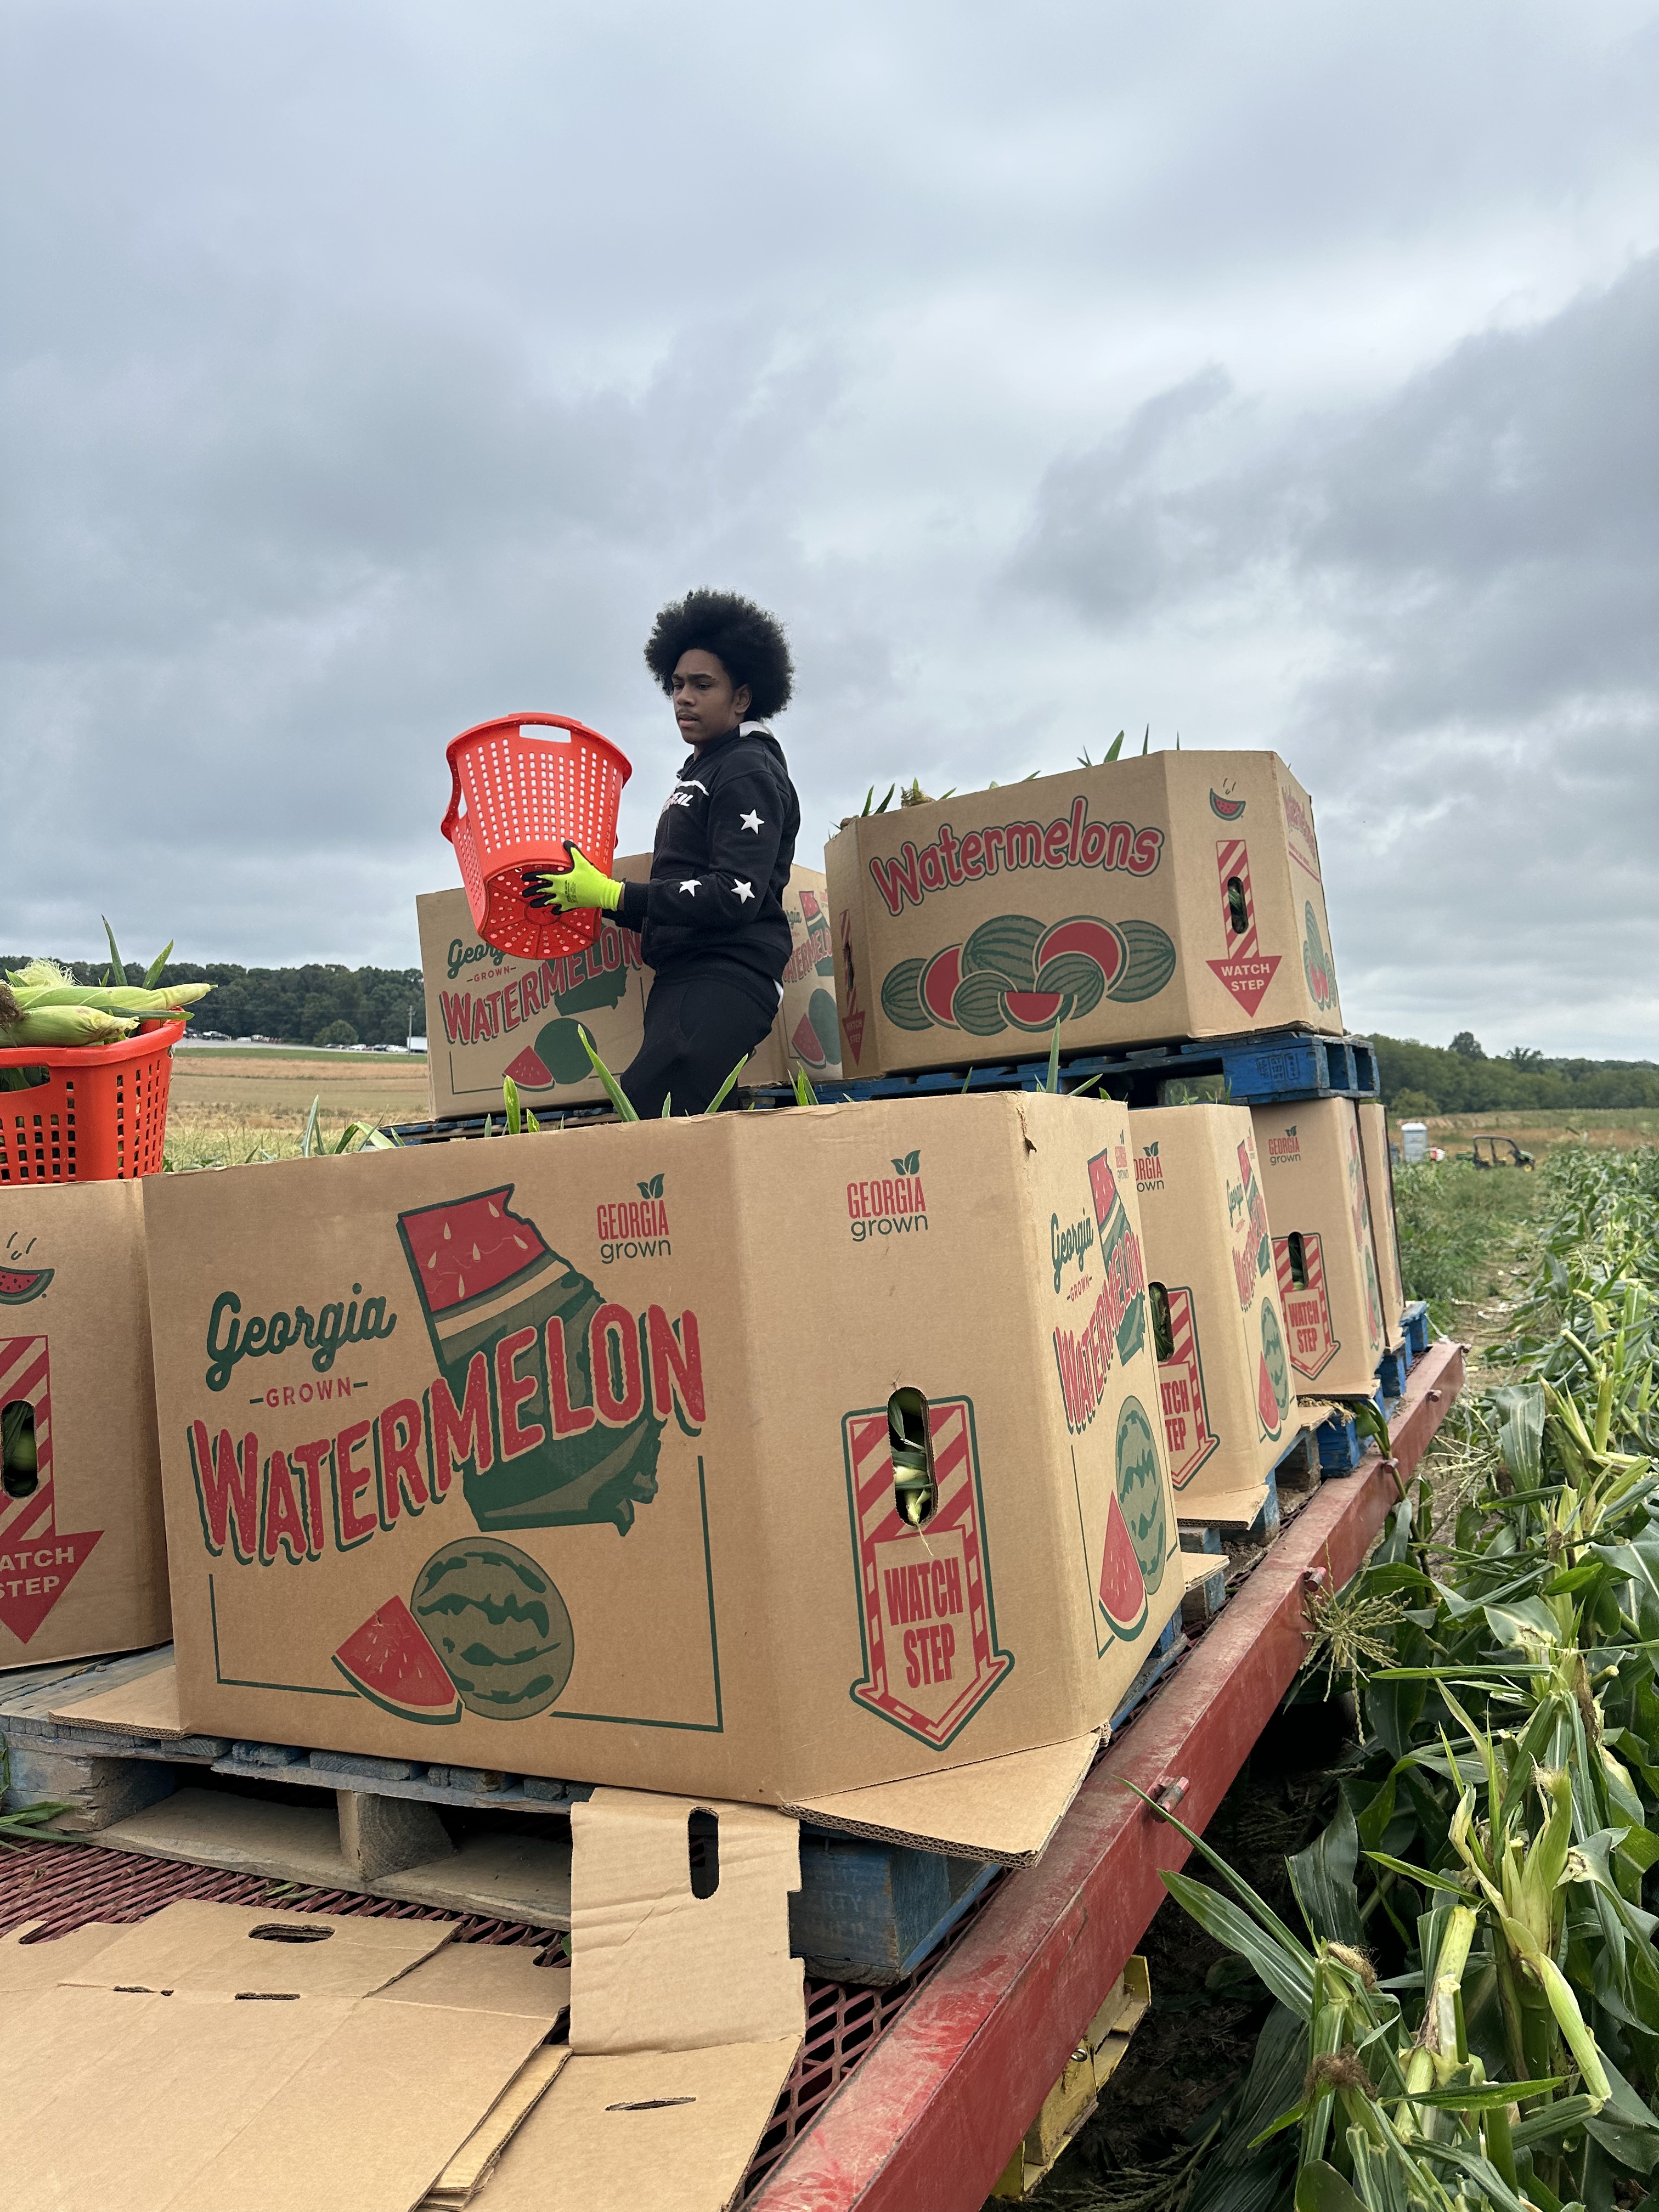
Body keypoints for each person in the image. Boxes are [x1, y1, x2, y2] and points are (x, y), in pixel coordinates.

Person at [537, 589, 801, 1116]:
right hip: (683, 975)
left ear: (742, 698)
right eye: (677, 685)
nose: (684, 698)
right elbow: (682, 891)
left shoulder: (746, 769)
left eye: (703, 685)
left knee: (655, 1112)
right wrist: (595, 900)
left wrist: (615, 893)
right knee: (681, 1122)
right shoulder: (705, 768)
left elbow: (733, 895)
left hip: (727, 974)